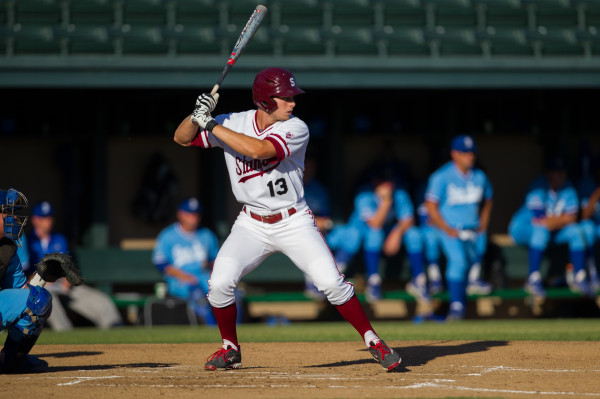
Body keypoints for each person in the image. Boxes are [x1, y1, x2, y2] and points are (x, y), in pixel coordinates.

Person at [173, 67, 401, 372]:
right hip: (251, 223)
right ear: (266, 100)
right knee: (218, 284)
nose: (292, 102)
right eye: (285, 97)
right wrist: (195, 115)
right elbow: (181, 139)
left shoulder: (296, 128)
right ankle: (230, 349)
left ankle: (373, 340)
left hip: (293, 221)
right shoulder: (232, 121)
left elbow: (257, 149)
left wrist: (211, 123)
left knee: (332, 283)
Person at [425, 135, 494, 320]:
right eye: (465, 153)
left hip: (472, 230)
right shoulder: (441, 176)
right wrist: (445, 228)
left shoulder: (480, 176)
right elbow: (430, 206)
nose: (469, 156)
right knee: (458, 261)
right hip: (450, 229)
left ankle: (469, 288)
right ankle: (456, 307)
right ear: (454, 154)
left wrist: (484, 222)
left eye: (472, 153)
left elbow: (488, 200)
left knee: (471, 262)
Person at [26, 201, 123, 331]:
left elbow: (67, 267)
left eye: (50, 217)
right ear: (35, 220)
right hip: (41, 288)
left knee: (103, 301)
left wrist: (67, 278)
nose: (48, 221)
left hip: (63, 286)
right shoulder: (26, 241)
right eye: (44, 218)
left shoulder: (59, 239)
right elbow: (23, 273)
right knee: (47, 298)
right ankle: (67, 335)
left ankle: (117, 334)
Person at [509, 156, 592, 298]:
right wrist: (563, 219)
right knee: (541, 231)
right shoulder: (538, 186)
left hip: (551, 232)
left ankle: (580, 277)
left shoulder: (568, 188)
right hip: (523, 229)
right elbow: (542, 221)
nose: (559, 175)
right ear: (548, 173)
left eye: (562, 172)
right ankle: (533, 279)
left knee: (576, 231)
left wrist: (557, 220)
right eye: (555, 172)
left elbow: (572, 219)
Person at [0, 188, 52, 374]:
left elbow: (24, 294)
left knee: (39, 300)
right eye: (8, 213)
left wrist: (42, 276)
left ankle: (12, 360)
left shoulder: (7, 249)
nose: (14, 219)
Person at [152, 197, 222, 326]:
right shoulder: (168, 235)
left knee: (227, 291)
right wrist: (185, 276)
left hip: (203, 277)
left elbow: (215, 261)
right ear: (180, 215)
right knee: (196, 294)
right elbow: (161, 263)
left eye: (196, 214)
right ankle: (212, 328)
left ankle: (234, 329)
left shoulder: (206, 234)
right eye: (190, 214)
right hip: (179, 280)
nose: (194, 217)